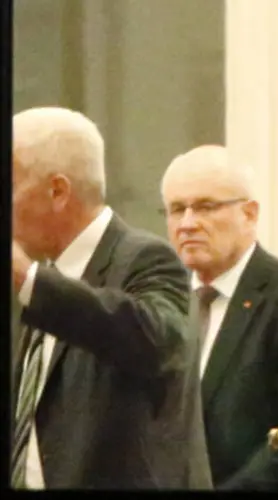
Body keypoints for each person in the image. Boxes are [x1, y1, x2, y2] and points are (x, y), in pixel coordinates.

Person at [10, 106, 212, 489]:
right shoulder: (46, 275)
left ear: (57, 191)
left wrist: (29, 279)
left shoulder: (146, 257)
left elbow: (157, 340)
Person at [160, 145, 278, 490]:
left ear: (250, 214)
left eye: (206, 207)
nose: (188, 223)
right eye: (177, 209)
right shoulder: (162, 298)